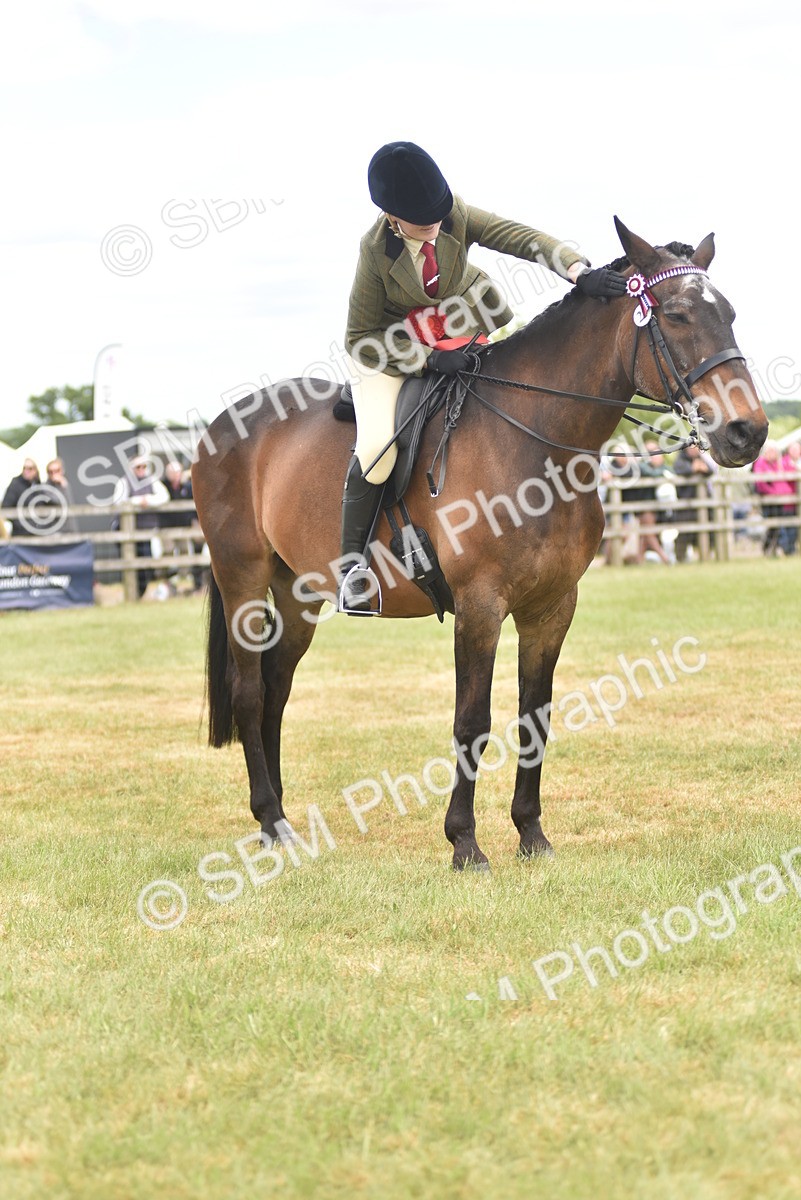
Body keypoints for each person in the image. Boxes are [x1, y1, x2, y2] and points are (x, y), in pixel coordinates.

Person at [338, 140, 627, 612]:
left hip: (457, 325)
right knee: (376, 452)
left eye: (437, 214)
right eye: (420, 220)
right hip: (391, 347)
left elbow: (520, 238)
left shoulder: (452, 214)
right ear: (391, 217)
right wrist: (427, 361)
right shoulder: (374, 253)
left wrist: (578, 272)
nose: (433, 225)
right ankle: (351, 569)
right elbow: (360, 337)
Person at [112, 456, 170, 597]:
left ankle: (139, 593)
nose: (142, 470)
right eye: (138, 467)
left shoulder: (151, 480)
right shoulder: (124, 482)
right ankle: (132, 595)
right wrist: (138, 501)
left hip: (145, 531)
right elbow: (119, 502)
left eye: (144, 466)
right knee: (130, 565)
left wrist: (148, 500)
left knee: (146, 565)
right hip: (127, 532)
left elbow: (164, 496)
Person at [671, 444, 717, 563]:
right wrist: (693, 469)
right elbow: (681, 469)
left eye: (696, 448)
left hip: (703, 503)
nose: (694, 450)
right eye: (692, 448)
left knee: (708, 531)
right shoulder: (680, 459)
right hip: (685, 504)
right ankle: (680, 559)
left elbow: (710, 470)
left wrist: (700, 468)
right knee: (684, 533)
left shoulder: (701, 458)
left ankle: (706, 555)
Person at [752, 441, 795, 556]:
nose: (773, 453)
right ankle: (768, 549)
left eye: (774, 451)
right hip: (768, 500)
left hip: (779, 500)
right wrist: (773, 492)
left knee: (777, 526)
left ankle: (773, 549)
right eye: (771, 451)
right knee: (772, 526)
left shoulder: (778, 463)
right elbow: (760, 484)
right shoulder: (761, 463)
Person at [1, 459, 41, 536]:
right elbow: (6, 507)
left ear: (35, 470)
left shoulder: (38, 485)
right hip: (21, 533)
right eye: (24, 468)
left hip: (37, 531)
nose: (26, 471)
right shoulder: (15, 485)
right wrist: (20, 523)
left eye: (30, 468)